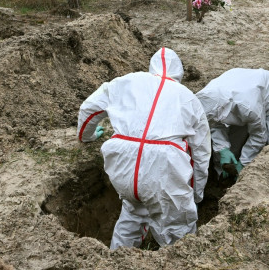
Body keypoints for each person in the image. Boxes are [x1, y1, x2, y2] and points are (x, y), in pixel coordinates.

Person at [76, 47, 210, 249]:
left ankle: (117, 260)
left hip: (122, 162)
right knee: (178, 231)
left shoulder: (126, 81)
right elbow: (200, 152)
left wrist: (86, 137)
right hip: (164, 167)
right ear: (179, 73)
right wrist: (197, 193)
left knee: (132, 212)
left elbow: (88, 108)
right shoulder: (189, 98)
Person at [195, 68, 269, 177]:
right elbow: (214, 124)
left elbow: (259, 135)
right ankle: (222, 177)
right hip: (239, 82)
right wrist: (222, 149)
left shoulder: (248, 108)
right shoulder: (202, 99)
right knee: (232, 144)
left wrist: (243, 164)